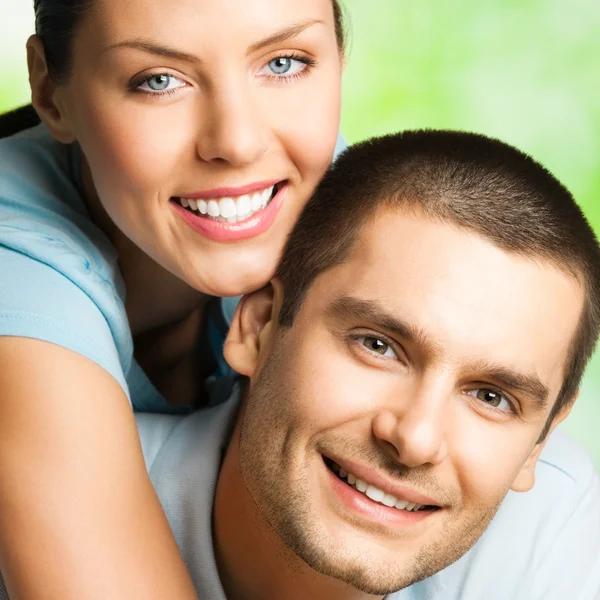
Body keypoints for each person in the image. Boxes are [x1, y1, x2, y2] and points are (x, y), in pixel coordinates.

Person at [13, 129, 593, 600]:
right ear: (257, 327)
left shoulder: (561, 547)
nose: (415, 438)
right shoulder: (39, 523)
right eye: (379, 346)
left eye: (492, 397)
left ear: (540, 441)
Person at [0, 0, 346, 597]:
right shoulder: (17, 277)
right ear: (52, 91)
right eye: (159, 80)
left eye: (285, 63)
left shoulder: (335, 198)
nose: (237, 143)